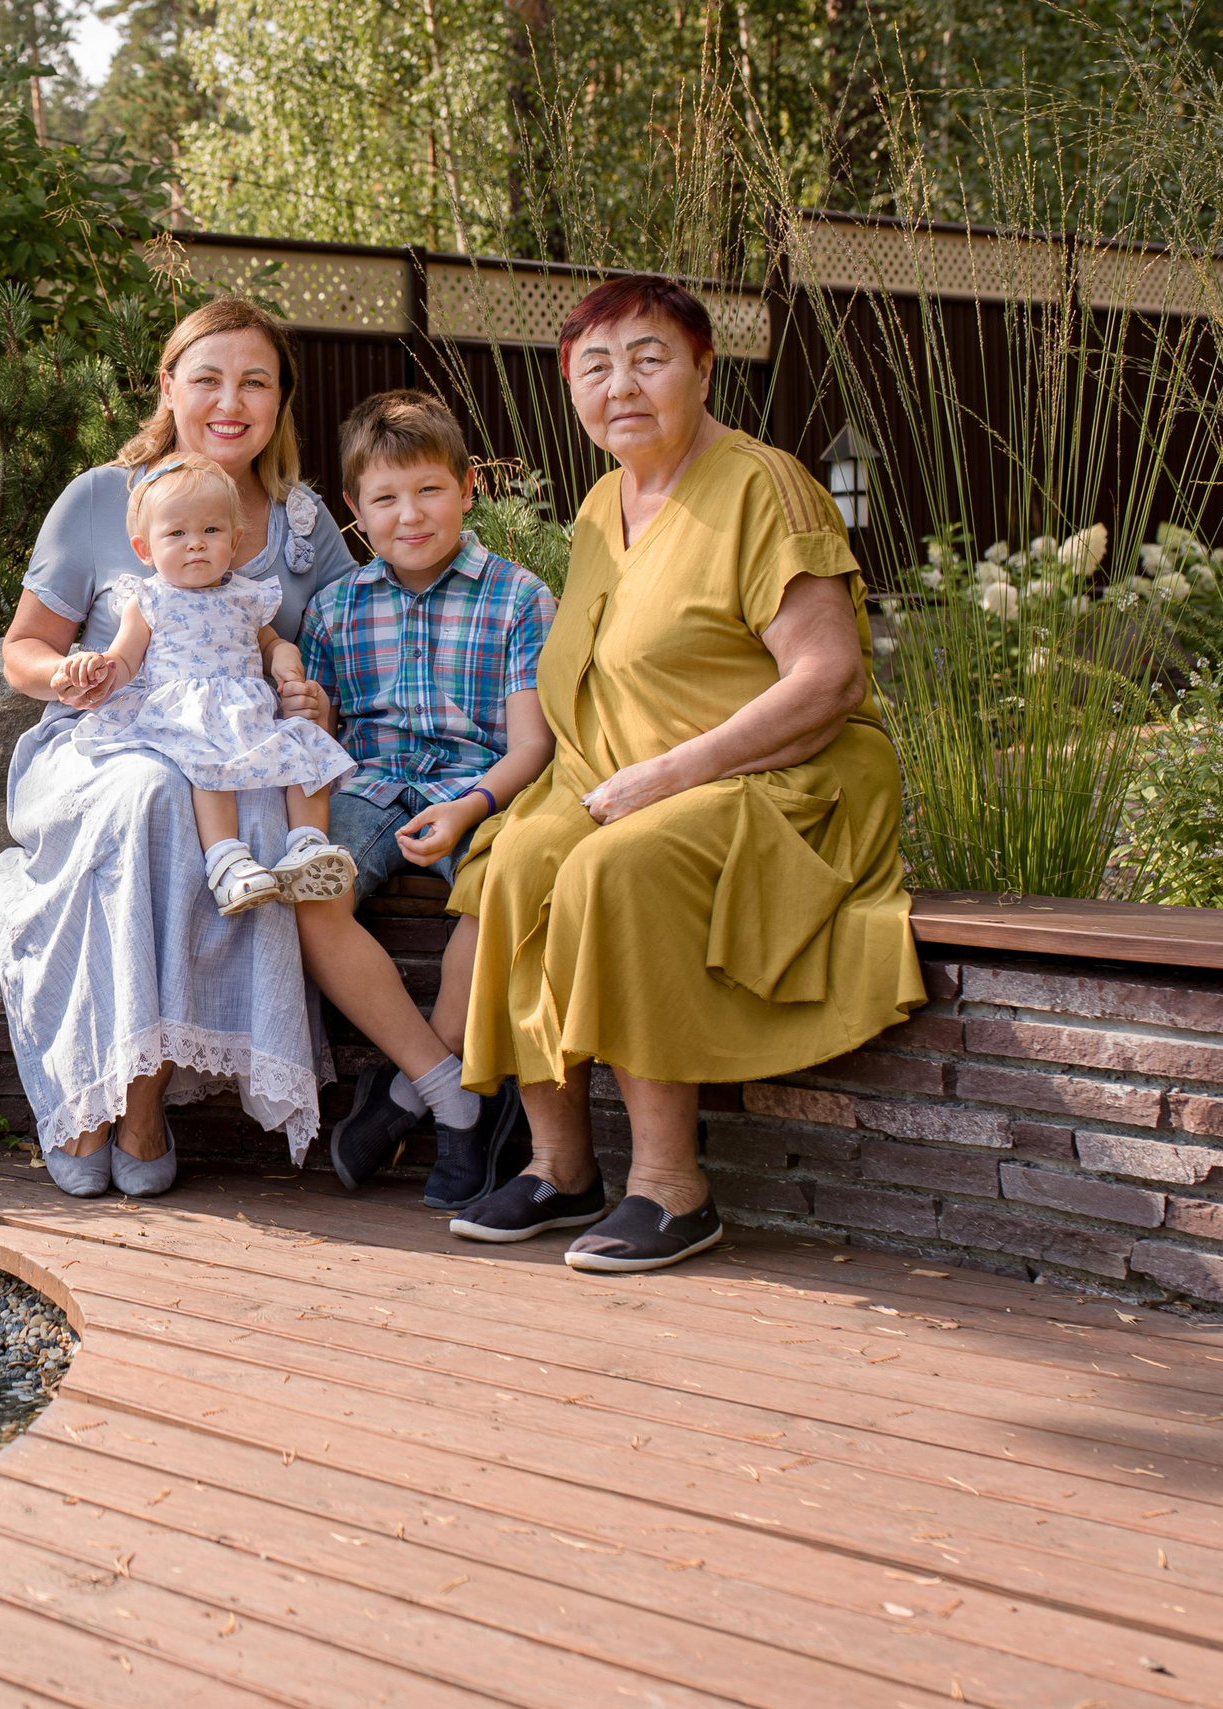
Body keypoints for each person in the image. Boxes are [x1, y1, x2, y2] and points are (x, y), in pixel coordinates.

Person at [446, 275, 924, 1273]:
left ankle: (672, 1186)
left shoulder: (763, 483)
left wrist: (665, 776)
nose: (621, 384)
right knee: (521, 857)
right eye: (594, 366)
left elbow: (827, 679)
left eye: (648, 358)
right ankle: (558, 1163)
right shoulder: (596, 505)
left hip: (782, 780)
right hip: (624, 775)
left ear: (702, 369)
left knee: (611, 867)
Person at [0, 297, 359, 1199]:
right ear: (169, 386)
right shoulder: (99, 499)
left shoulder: (302, 526)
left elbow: (336, 657)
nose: (230, 401)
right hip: (102, 739)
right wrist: (70, 675)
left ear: (280, 399)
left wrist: (315, 695)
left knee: (237, 791)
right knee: (156, 791)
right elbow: (21, 652)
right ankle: (94, 1087)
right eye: (207, 379)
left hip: (234, 744)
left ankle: (145, 1099)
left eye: (255, 382)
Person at [292, 391, 557, 1208]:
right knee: (310, 893)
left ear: (468, 486)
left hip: (483, 792)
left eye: (430, 490)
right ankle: (455, 1094)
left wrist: (472, 807)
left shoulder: (517, 598)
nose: (410, 515)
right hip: (366, 788)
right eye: (386, 498)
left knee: (493, 897)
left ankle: (411, 1098)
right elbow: (319, 742)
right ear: (355, 511)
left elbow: (534, 745)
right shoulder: (336, 610)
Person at [61, 453, 360, 914]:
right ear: (145, 550)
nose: (195, 544)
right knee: (208, 764)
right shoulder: (148, 598)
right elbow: (124, 657)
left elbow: (272, 644)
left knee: (305, 749)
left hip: (251, 712)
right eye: (177, 534)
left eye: (211, 531)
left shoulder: (248, 595)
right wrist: (100, 669)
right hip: (185, 714)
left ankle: (308, 847)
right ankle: (227, 862)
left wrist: (287, 664)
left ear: (235, 540)